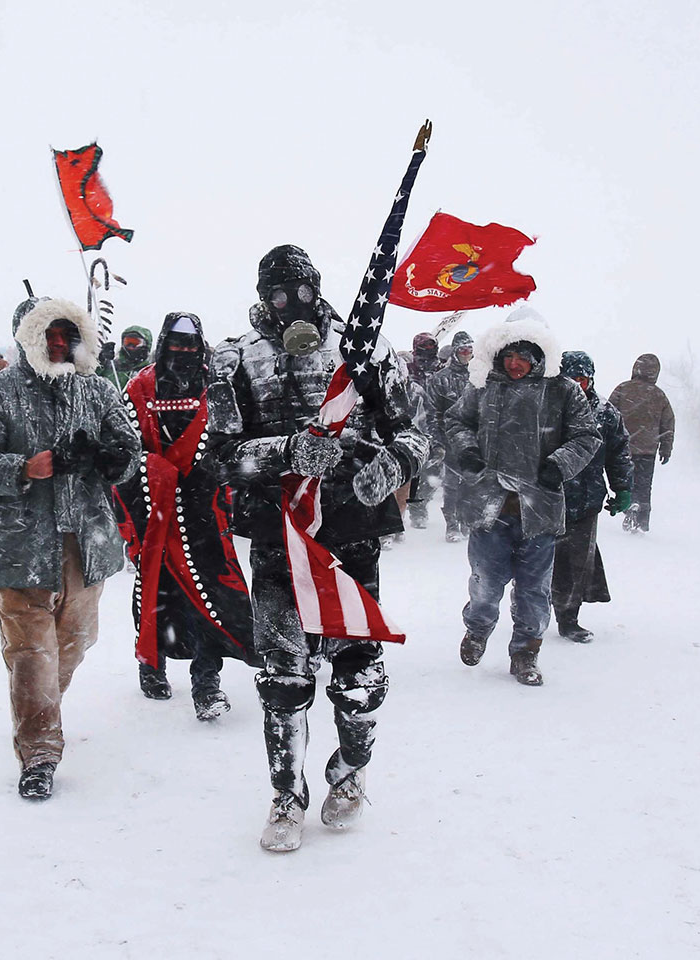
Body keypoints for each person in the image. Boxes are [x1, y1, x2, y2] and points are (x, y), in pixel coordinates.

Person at [206, 244, 427, 851]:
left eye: (301, 293)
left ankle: (350, 774)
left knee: (359, 677)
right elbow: (221, 458)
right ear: (261, 298)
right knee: (282, 676)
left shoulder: (366, 348)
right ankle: (286, 792)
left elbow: (412, 429)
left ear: (318, 290)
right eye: (277, 296)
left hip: (351, 532)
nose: (291, 306)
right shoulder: (232, 361)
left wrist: (392, 464)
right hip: (278, 535)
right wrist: (282, 454)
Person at [0, 292, 140, 801]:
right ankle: (39, 751)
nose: (58, 344)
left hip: (86, 542)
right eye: (48, 336)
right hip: (20, 545)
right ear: (27, 339)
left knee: (73, 644)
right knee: (32, 652)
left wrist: (108, 457)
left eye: (66, 335)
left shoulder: (97, 390)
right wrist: (22, 468)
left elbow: (129, 452)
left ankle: (40, 706)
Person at [113, 312, 259, 719]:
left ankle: (206, 681)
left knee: (210, 594)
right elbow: (124, 452)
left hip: (205, 510)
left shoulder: (216, 386)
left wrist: (230, 481)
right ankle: (151, 664)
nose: (184, 350)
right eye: (176, 341)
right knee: (155, 592)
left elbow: (234, 439)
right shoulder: (139, 387)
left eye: (191, 342)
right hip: (153, 509)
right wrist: (149, 479)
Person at [446, 308, 601, 686]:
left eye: (524, 357)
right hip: (490, 506)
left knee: (534, 590)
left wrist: (559, 465)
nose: (515, 364)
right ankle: (478, 629)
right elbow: (456, 421)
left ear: (540, 356)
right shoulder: (483, 386)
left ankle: (525, 652)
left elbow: (588, 436)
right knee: (485, 583)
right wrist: (467, 450)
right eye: (509, 356)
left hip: (540, 510)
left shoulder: (562, 390)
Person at [552, 351, 633, 642]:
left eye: (582, 379)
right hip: (547, 498)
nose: (577, 384)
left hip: (586, 500)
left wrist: (622, 487)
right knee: (535, 560)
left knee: (577, 562)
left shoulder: (605, 413)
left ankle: (568, 617)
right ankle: (526, 614)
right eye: (570, 378)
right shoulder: (546, 407)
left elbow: (619, 453)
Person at [607, 354, 674, 533]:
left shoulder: (623, 389)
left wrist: (607, 441)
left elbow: (608, 415)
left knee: (626, 482)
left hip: (624, 447)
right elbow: (668, 423)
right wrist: (666, 448)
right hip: (648, 449)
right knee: (644, 486)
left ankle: (629, 508)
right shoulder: (659, 395)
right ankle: (642, 521)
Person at [426, 330, 474, 541]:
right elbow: (432, 413)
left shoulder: (480, 377)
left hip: (475, 441)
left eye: (470, 350)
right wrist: (438, 442)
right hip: (450, 440)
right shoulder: (440, 379)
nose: (466, 354)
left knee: (473, 483)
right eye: (463, 350)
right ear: (455, 352)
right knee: (452, 484)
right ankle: (452, 524)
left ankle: (468, 522)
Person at [402, 332, 443, 528]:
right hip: (411, 426)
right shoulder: (407, 370)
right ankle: (410, 509)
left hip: (436, 426)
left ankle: (420, 506)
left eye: (430, 348)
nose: (427, 352)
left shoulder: (441, 369)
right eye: (423, 348)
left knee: (432, 472)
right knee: (410, 471)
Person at [97, 325, 153, 391]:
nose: (131, 347)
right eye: (128, 343)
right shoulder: (111, 368)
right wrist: (101, 360)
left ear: (146, 345)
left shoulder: (151, 373)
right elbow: (89, 380)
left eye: (136, 343)